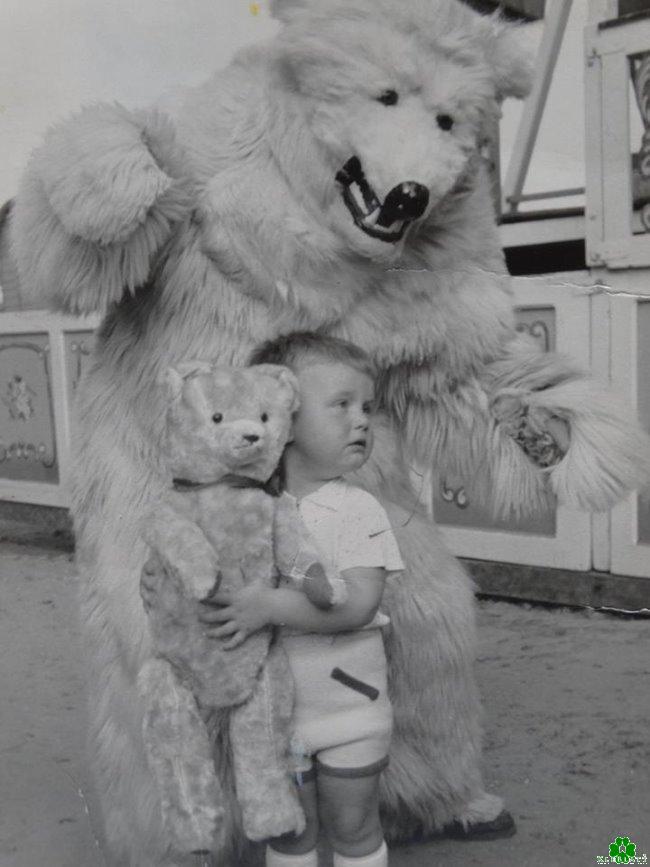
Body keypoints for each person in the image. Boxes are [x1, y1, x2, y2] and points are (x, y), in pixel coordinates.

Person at [200, 331, 404, 867]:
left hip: (349, 710)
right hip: (272, 716)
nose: (361, 419)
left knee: (353, 826)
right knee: (290, 832)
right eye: (341, 405)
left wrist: (267, 607)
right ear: (280, 419)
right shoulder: (245, 508)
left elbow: (358, 603)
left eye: (367, 407)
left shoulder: (357, 511)